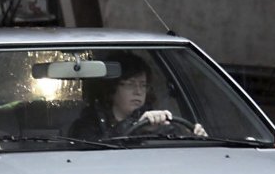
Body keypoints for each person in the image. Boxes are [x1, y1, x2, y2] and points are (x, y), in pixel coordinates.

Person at [69, 51, 205, 140]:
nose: (138, 91)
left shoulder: (155, 121)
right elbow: (94, 153)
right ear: (111, 88)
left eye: (143, 85)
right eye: (130, 84)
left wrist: (194, 138)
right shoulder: (87, 124)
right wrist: (135, 126)